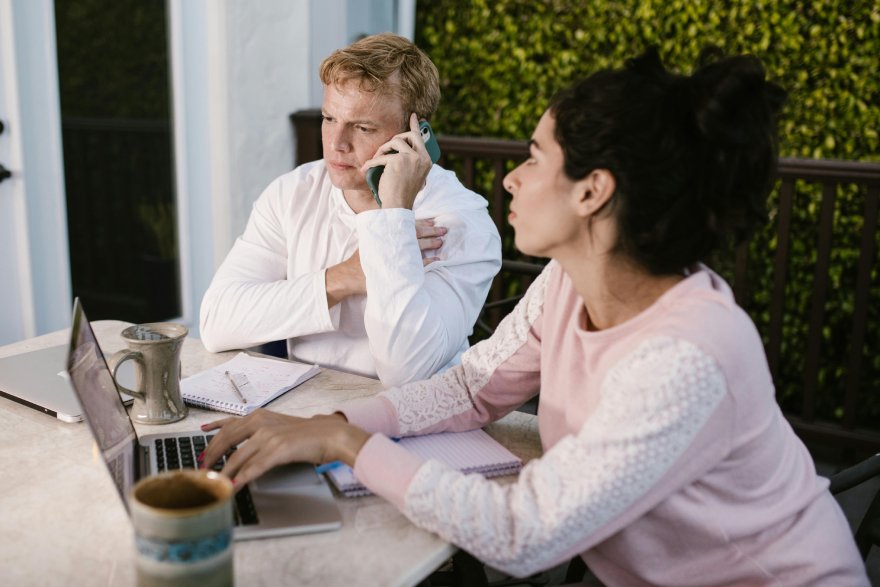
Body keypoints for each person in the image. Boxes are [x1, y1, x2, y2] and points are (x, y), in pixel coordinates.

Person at [199, 48, 869, 585]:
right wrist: (327, 424)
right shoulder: (567, 283)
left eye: (534, 158)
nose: (512, 179)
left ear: (592, 190)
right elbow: (467, 387)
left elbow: (520, 533)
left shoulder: (691, 355)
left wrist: (346, 446)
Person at [199, 33, 501, 386]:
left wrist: (394, 217)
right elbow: (216, 321)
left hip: (415, 425)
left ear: (415, 134)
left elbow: (406, 372)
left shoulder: (461, 222)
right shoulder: (292, 193)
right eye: (329, 119)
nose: (336, 143)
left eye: (362, 126)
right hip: (306, 408)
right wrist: (347, 276)